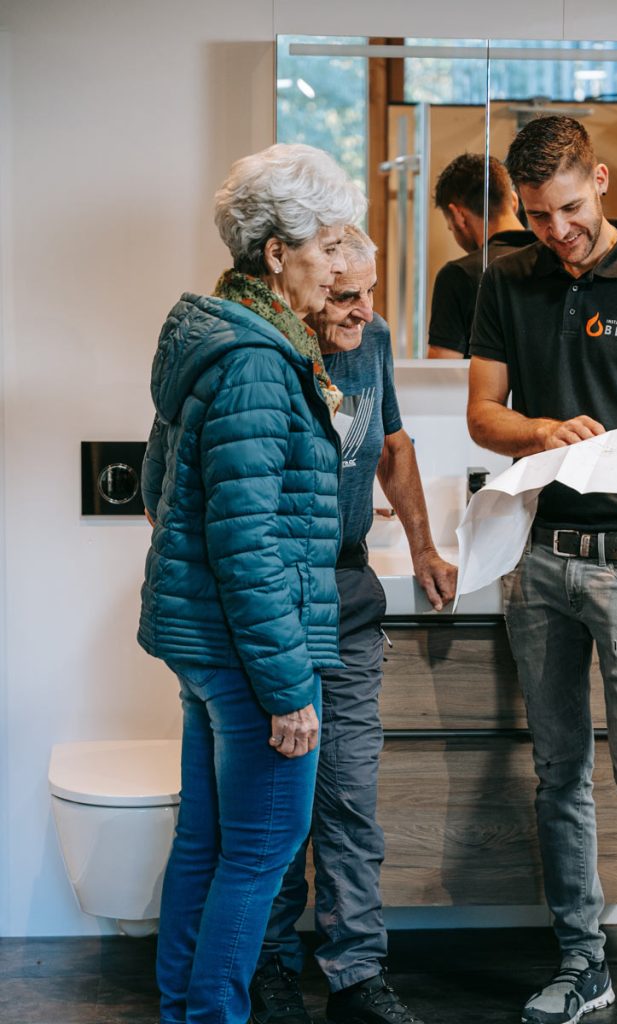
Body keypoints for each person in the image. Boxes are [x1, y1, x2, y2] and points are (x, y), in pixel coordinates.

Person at [467, 116, 617, 1024]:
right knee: (559, 774)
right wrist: (542, 431)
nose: (555, 231)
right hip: (538, 564)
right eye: (535, 216)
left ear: (600, 183)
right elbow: (483, 414)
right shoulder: (509, 279)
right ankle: (585, 966)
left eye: (568, 209)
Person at [137, 143, 366, 1024]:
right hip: (250, 655)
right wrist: (285, 686)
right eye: (328, 246)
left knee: (206, 843)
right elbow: (246, 542)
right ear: (277, 254)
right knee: (259, 855)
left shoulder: (209, 339)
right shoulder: (263, 362)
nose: (342, 265)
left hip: (202, 646)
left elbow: (163, 492)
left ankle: (184, 1012)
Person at [249, 225, 457, 1024]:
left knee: (348, 804)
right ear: (292, 282)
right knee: (277, 807)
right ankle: (269, 967)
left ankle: (356, 976)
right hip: (278, 608)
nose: (364, 313)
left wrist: (426, 546)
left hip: (352, 605)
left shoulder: (369, 343)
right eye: (345, 298)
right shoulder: (261, 355)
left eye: (371, 293)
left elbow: (394, 449)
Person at [427, 153, 535, 359]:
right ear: (514, 201)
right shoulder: (554, 259)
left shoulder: (457, 276)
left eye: (451, 228)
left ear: (458, 216)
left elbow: (441, 375)